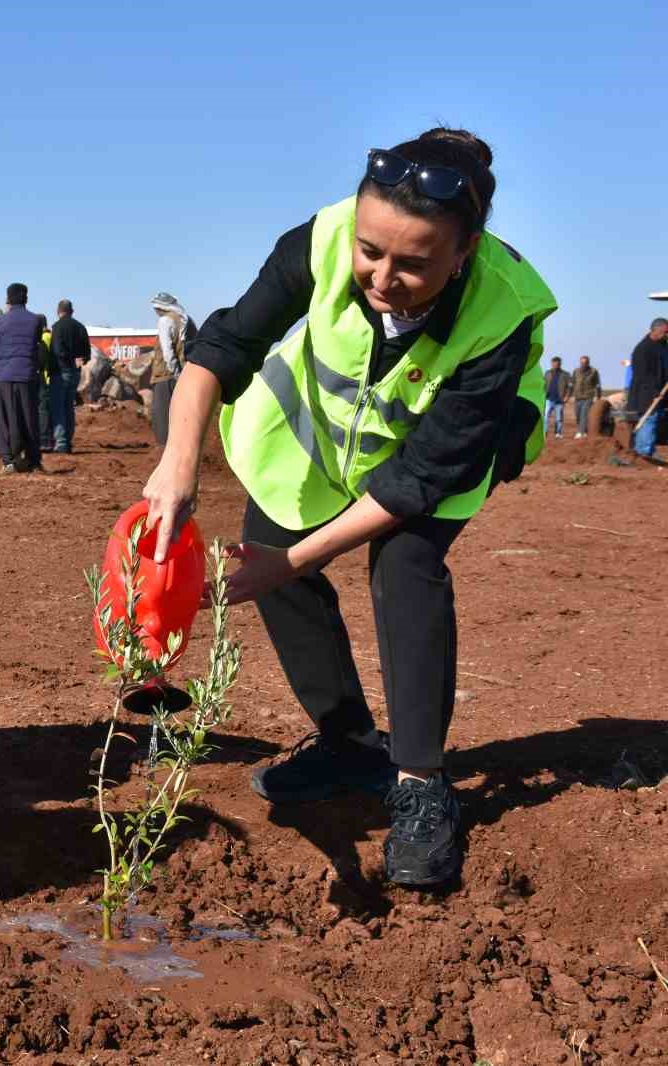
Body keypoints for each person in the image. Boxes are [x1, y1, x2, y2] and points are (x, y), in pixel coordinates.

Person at [142, 128, 556, 888]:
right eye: (372, 251)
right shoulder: (322, 237)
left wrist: (294, 561)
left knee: (406, 561)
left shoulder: (502, 314)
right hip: (326, 439)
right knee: (269, 543)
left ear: (463, 253)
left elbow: (417, 481)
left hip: (447, 452)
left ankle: (421, 785)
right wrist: (178, 466)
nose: (382, 276)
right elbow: (225, 347)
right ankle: (347, 742)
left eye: (414, 264)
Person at [0, 282, 47, 473]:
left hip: (2, 376)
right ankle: (33, 460)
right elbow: (36, 343)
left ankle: (8, 461)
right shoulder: (36, 320)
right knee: (29, 418)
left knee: (2, 419)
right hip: (26, 374)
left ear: (7, 300)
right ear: (26, 298)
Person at [150, 292, 196, 447]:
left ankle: (165, 449)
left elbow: (167, 351)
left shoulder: (165, 321)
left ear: (160, 307)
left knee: (161, 413)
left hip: (166, 375)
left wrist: (176, 373)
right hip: (183, 372)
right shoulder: (185, 320)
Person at [50, 299, 90, 453]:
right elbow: (87, 352)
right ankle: (69, 441)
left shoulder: (57, 327)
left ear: (58, 311)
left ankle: (61, 443)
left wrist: (68, 360)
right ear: (72, 311)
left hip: (60, 372)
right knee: (69, 407)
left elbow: (58, 351)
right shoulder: (80, 327)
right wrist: (79, 361)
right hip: (75, 373)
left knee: (59, 407)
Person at [626, 318, 668, 459]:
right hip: (646, 394)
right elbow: (643, 376)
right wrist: (655, 393)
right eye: (665, 332)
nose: (667, 335)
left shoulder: (663, 346)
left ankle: (646, 451)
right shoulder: (642, 349)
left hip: (662, 393)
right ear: (655, 330)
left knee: (655, 420)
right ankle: (644, 453)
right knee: (649, 419)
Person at [571, 355, 601, 438]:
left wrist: (598, 397)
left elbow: (598, 385)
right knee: (578, 415)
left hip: (588, 396)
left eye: (585, 363)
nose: (583, 364)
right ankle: (584, 431)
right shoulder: (576, 371)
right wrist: (570, 395)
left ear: (588, 363)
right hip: (578, 397)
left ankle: (580, 432)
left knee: (584, 414)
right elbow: (572, 383)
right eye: (582, 363)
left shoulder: (593, 371)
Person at [542, 356, 572, 437]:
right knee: (545, 417)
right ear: (551, 364)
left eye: (557, 364)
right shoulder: (547, 373)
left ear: (560, 364)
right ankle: (544, 432)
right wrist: (543, 395)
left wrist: (567, 396)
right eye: (554, 363)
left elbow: (570, 387)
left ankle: (558, 433)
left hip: (560, 400)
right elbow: (543, 385)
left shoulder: (566, 374)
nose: (555, 365)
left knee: (559, 418)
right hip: (548, 399)